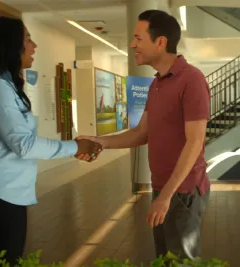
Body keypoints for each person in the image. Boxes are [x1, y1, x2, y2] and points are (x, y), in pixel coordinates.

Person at [0, 17, 101, 265]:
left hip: (5, 191)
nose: (34, 45)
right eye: (27, 39)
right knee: (5, 261)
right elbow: (24, 144)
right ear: (10, 45)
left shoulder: (4, 85)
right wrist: (75, 147)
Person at [77, 10, 210, 260]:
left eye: (138, 38)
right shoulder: (156, 83)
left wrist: (167, 196)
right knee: (164, 259)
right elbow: (141, 133)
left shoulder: (191, 79)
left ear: (160, 42)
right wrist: (101, 142)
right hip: (163, 188)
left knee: (181, 261)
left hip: (183, 191)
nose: (132, 44)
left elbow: (195, 142)